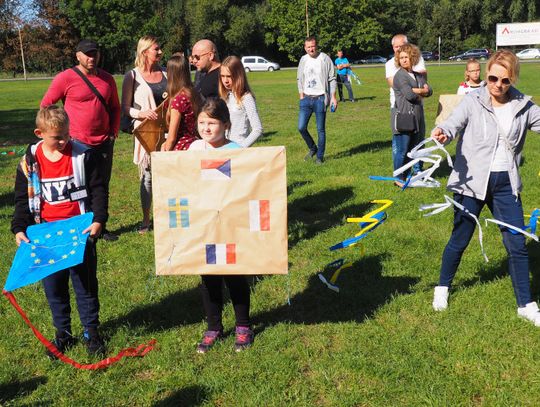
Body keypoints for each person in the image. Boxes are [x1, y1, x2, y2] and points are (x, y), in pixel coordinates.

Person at [431, 50, 540, 325]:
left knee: (516, 243)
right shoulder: (473, 100)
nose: (498, 85)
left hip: (506, 184)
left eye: (505, 80)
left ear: (512, 78)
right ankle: (442, 288)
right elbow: (453, 123)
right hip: (472, 182)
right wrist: (444, 131)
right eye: (493, 78)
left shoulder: (523, 105)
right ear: (487, 74)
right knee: (460, 238)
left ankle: (526, 304)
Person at [11, 106, 108, 357]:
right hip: (45, 236)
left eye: (67, 134)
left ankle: (91, 332)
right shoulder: (29, 162)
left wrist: (98, 220)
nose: (64, 141)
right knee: (54, 288)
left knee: (85, 286)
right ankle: (62, 333)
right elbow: (23, 200)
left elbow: (98, 190)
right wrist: (19, 228)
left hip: (80, 233)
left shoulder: (83, 156)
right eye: (57, 138)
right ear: (39, 133)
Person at [187, 99, 253, 352]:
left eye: (212, 123)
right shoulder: (194, 149)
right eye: (202, 122)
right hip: (205, 226)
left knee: (235, 277)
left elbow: (247, 186)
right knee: (210, 278)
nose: (206, 127)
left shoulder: (236, 150)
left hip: (230, 226)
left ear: (225, 125)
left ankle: (243, 326)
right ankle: (213, 326)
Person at [41, 39, 120, 241]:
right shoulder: (65, 78)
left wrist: (113, 132)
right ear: (77, 55)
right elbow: (46, 106)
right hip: (77, 143)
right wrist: (58, 132)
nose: (91, 58)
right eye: (87, 54)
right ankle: (80, 226)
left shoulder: (107, 79)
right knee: (78, 187)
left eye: (94, 53)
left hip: (103, 142)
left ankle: (100, 226)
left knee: (101, 185)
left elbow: (115, 107)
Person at [121, 36, 167, 234]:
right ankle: (146, 219)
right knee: (147, 177)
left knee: (169, 174)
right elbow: (124, 107)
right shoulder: (132, 76)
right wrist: (141, 114)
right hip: (146, 132)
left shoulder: (167, 72)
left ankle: (168, 216)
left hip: (167, 132)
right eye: (156, 49)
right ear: (145, 51)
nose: (160, 52)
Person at [391, 43, 432, 186]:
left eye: (406, 57)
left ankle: (409, 175)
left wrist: (421, 91)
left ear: (412, 58)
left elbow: (430, 90)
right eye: (401, 57)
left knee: (414, 149)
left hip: (418, 117)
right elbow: (409, 95)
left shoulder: (417, 75)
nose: (403, 60)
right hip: (405, 117)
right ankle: (398, 178)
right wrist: (421, 91)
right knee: (402, 150)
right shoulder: (400, 76)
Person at [297, 36, 338, 165]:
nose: (311, 49)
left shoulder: (325, 59)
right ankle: (312, 148)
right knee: (301, 127)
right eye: (308, 47)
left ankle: (320, 157)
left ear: (317, 46)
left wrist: (333, 97)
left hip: (320, 99)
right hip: (306, 99)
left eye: (313, 46)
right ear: (305, 48)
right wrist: (301, 95)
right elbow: (299, 78)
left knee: (321, 130)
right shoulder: (303, 60)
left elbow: (332, 78)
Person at [218, 56, 263, 147]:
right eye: (222, 76)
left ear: (238, 76)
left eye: (229, 76)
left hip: (239, 148)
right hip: (223, 147)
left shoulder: (246, 98)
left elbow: (258, 129)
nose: (225, 81)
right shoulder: (225, 96)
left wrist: (240, 148)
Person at [161, 55, 200, 152]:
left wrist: (165, 154)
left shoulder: (178, 100)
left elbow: (172, 137)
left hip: (181, 148)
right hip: (195, 143)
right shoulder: (194, 94)